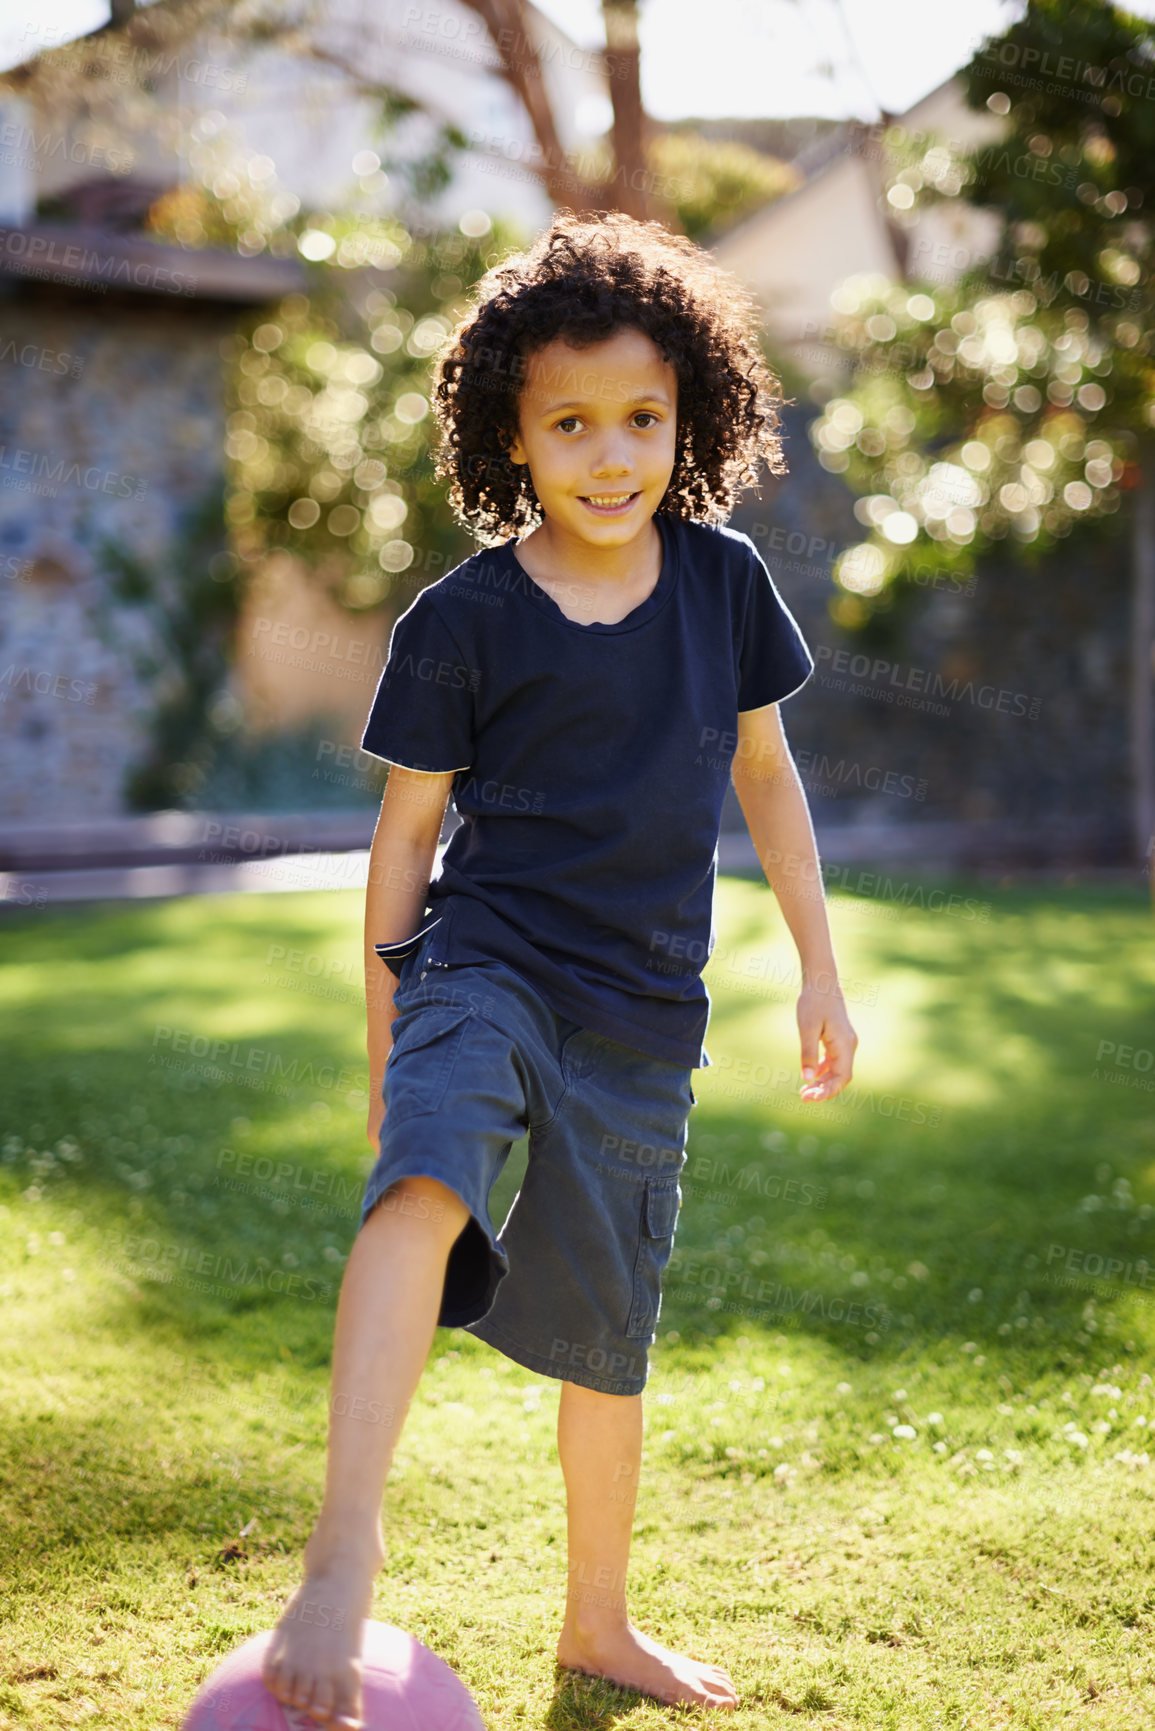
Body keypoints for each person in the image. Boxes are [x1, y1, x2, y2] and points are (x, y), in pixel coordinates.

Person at [262, 210, 858, 1729]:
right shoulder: (461, 621)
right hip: (486, 962)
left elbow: (769, 781)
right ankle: (344, 1549)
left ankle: (599, 1621)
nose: (611, 456)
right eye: (572, 424)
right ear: (510, 439)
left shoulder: (724, 590)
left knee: (609, 1333)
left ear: (693, 418)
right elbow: (403, 844)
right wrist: (394, 1029)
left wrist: (819, 971)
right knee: (422, 1187)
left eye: (642, 420)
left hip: (645, 1007)